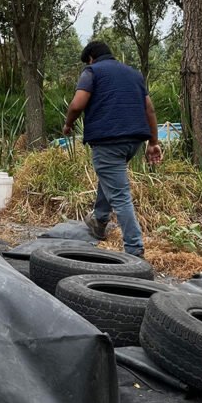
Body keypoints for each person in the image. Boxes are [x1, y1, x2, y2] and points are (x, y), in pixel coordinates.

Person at [63, 40, 162, 257]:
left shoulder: (92, 72)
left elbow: (77, 104)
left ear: (91, 58)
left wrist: (68, 124)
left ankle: (135, 249)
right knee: (109, 177)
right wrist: (153, 142)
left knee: (120, 194)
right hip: (133, 142)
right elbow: (150, 109)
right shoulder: (134, 74)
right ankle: (99, 220)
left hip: (109, 141)